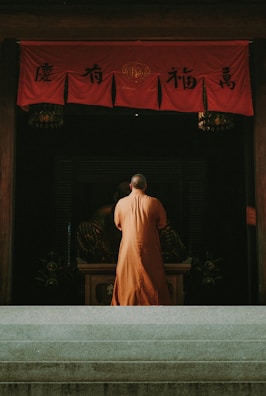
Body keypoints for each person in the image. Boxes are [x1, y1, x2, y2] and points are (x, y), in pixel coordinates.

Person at [111, 173, 172, 306]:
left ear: (130, 186)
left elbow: (118, 224)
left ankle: (126, 307)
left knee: (127, 279)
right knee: (153, 278)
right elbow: (162, 223)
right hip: (149, 247)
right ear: (145, 186)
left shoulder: (121, 203)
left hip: (128, 247)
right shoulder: (154, 202)